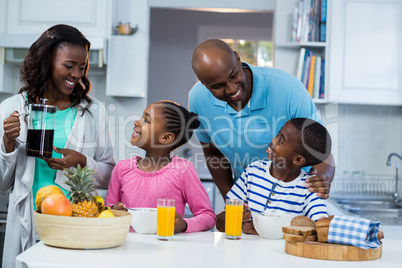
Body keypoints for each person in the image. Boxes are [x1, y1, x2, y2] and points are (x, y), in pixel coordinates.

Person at [0, 24, 115, 268]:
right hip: (29, 224)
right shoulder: (13, 108)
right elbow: (2, 184)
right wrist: (8, 143)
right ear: (47, 60)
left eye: (82, 67)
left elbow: (109, 175)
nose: (76, 74)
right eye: (69, 65)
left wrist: (82, 162)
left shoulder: (94, 111)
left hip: (74, 225)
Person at [189, 39, 335, 200]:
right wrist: (232, 201)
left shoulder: (289, 89)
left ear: (238, 58)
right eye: (217, 86)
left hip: (296, 199)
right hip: (249, 198)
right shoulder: (198, 99)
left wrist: (323, 179)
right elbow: (213, 153)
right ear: (203, 83)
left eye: (233, 75)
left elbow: (320, 150)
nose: (231, 89)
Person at [105, 100, 216, 233]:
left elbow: (208, 217)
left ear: (166, 138)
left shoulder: (183, 169)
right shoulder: (122, 168)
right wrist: (114, 212)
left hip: (165, 247)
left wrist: (185, 224)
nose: (137, 122)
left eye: (146, 120)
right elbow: (108, 210)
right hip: (127, 246)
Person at [215, 118, 332, 234]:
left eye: (281, 141)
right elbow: (220, 224)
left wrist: (264, 229)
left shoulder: (309, 188)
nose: (273, 141)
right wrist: (233, 217)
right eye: (278, 134)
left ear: (297, 160)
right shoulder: (253, 172)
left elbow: (321, 229)